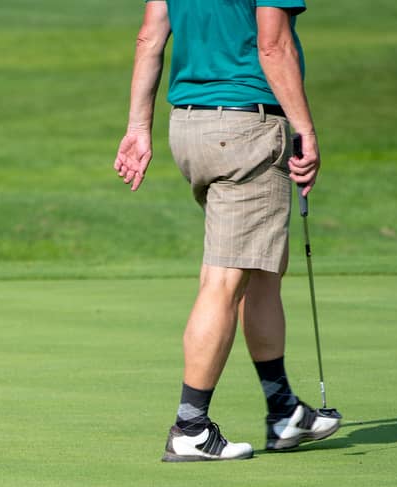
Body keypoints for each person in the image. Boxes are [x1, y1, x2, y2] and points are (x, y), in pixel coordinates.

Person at [114, 0, 340, 461]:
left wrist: (139, 126)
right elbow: (273, 45)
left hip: (190, 126)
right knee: (224, 280)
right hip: (247, 126)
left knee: (260, 274)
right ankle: (191, 426)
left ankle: (283, 411)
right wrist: (306, 130)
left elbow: (149, 38)